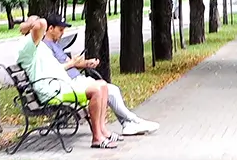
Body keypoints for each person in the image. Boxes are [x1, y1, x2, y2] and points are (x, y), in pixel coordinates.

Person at [41, 13, 160, 136]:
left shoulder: (55, 45)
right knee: (111, 90)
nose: (62, 33)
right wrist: (72, 62)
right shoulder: (45, 47)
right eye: (60, 30)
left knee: (111, 89)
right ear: (50, 29)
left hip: (77, 79)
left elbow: (69, 63)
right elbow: (56, 69)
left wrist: (86, 63)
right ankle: (132, 121)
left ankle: (129, 123)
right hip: (68, 84)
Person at [18, 15, 120, 148]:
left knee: (102, 85)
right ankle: (97, 137)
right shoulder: (28, 47)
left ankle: (102, 130)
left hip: (61, 84)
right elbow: (42, 23)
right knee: (96, 91)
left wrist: (73, 63)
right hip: (53, 91)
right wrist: (26, 26)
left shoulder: (40, 47)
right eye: (34, 24)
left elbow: (56, 68)